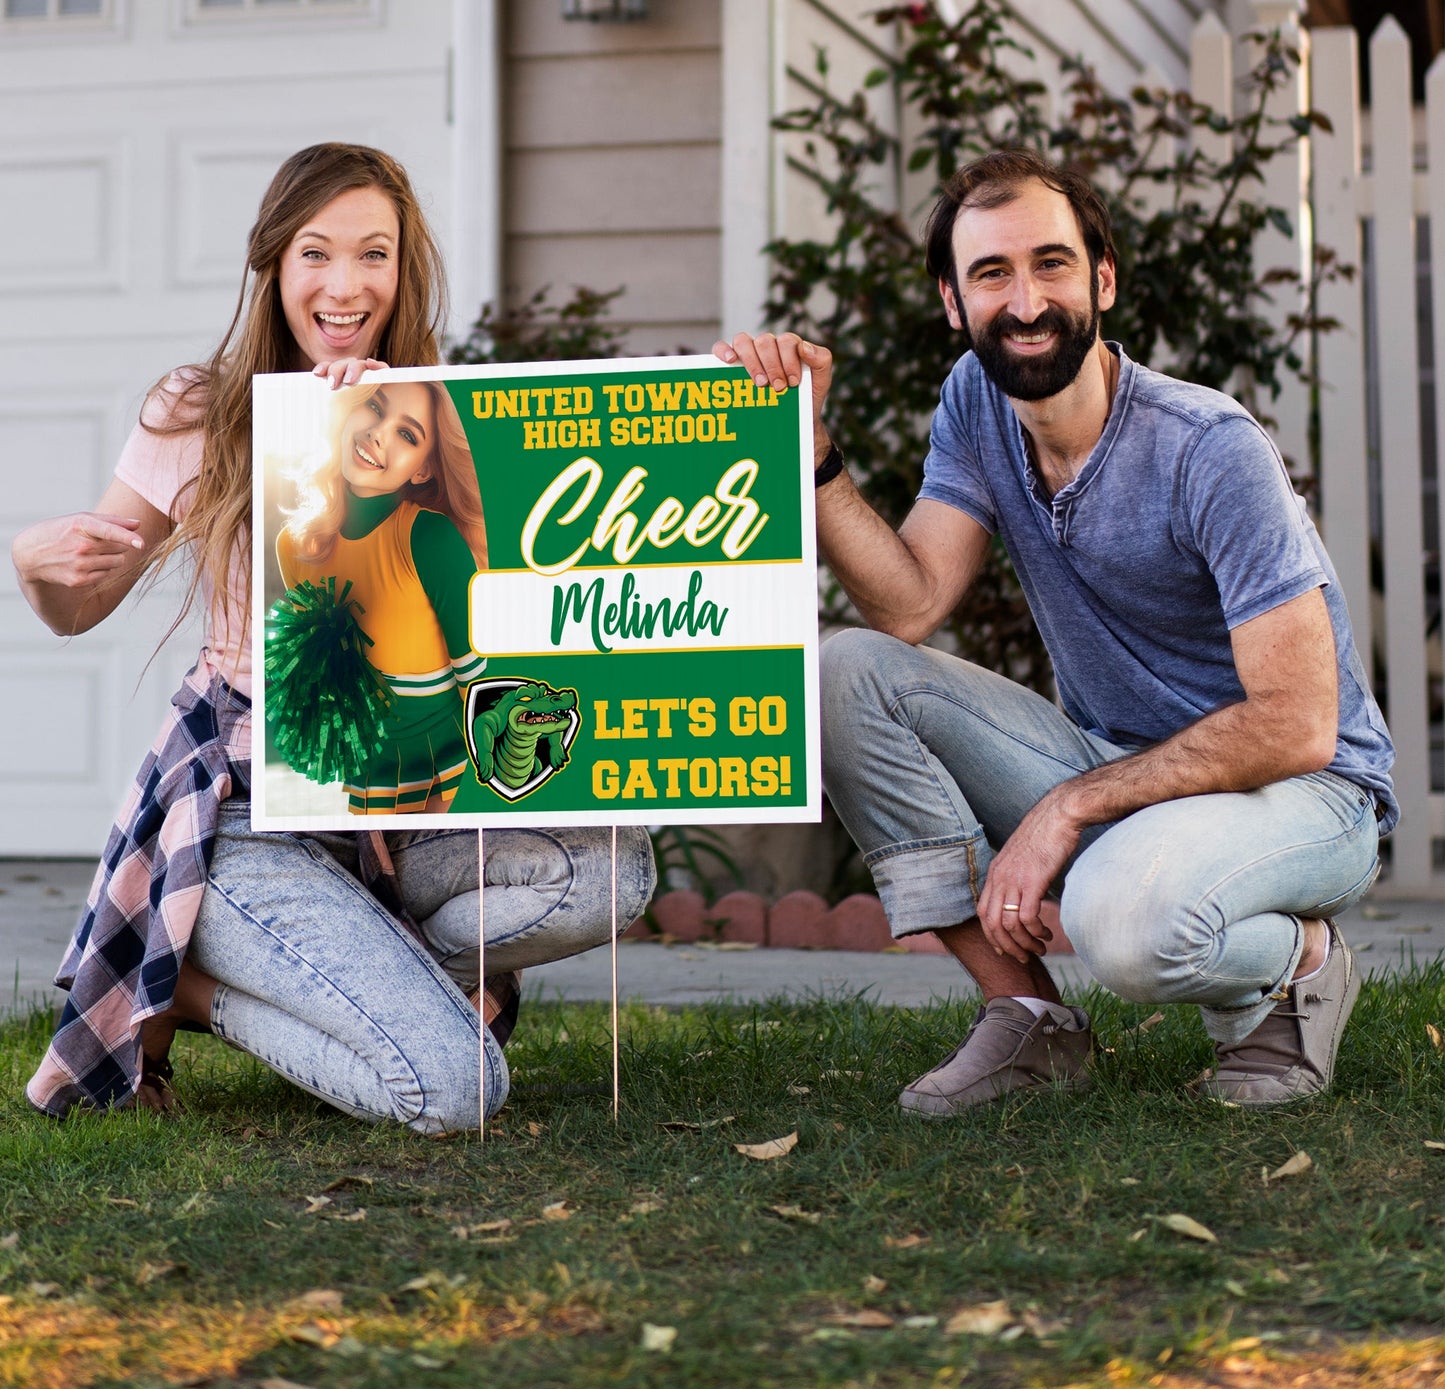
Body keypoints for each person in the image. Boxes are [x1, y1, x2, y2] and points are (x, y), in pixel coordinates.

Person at [717, 149, 1395, 1115]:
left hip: (1307, 793)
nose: (1025, 301)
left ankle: (1304, 959)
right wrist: (808, 449)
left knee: (1120, 925)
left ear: (1101, 279)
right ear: (953, 303)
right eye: (991, 273)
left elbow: (1295, 725)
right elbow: (907, 604)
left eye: (1051, 264)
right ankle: (1030, 1019)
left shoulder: (1208, 447)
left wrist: (1066, 809)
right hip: (1121, 764)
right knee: (845, 671)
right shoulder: (977, 404)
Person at [13, 142, 654, 1130]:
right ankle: (188, 981)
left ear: (406, 272)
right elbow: (80, 602)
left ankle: (327, 968)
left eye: (374, 255)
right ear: (274, 265)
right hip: (249, 809)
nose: (344, 284)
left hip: (400, 816)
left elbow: (498, 624)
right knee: (456, 1085)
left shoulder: (449, 421)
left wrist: (753, 390)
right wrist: (36, 570)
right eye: (315, 253)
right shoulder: (200, 409)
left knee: (618, 867)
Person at [274, 378, 488, 814]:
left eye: (406, 434)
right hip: (371, 780)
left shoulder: (429, 538)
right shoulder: (295, 546)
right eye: (375, 407)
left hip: (452, 775)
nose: (379, 433)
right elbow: (318, 678)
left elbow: (480, 680)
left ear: (423, 469)